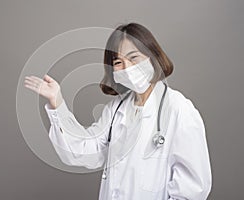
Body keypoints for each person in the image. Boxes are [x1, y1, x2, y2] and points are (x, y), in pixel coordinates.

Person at [24, 22, 212, 200]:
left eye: (133, 57)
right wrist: (57, 102)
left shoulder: (179, 109)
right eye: (118, 62)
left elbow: (193, 189)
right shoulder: (115, 110)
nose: (127, 67)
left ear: (153, 56)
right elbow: (83, 152)